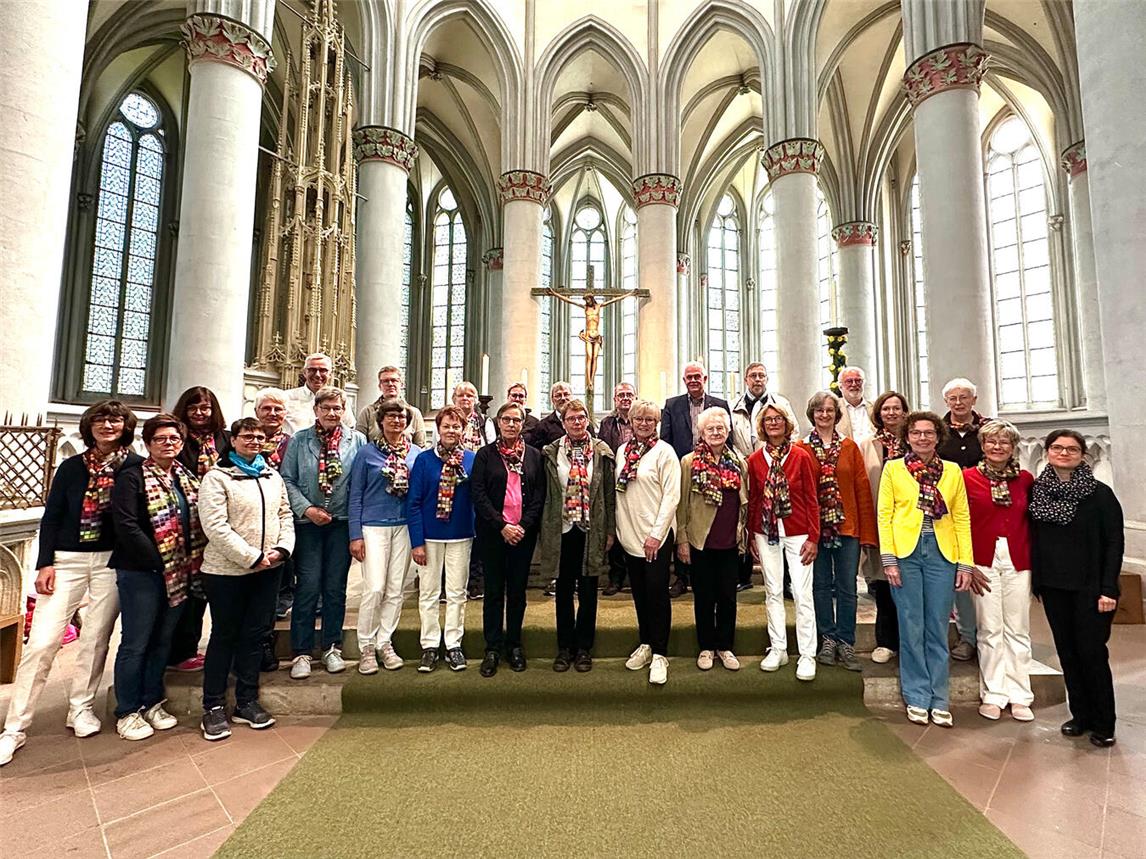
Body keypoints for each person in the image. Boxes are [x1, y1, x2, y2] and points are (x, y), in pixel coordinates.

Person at [0, 402, 141, 767]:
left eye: (115, 419)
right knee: (42, 642)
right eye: (100, 419)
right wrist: (45, 563)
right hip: (67, 559)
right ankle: (15, 727)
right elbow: (52, 516)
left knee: (95, 638)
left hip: (111, 560)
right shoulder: (71, 467)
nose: (107, 425)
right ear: (89, 426)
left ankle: (81, 707)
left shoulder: (134, 466)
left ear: (126, 426)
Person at [197, 418, 295, 741]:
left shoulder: (271, 475)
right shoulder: (217, 478)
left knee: (255, 635)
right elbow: (215, 526)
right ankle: (213, 705)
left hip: (268, 569)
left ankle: (246, 701)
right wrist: (250, 556)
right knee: (224, 635)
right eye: (247, 436)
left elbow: (284, 515)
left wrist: (282, 549)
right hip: (228, 572)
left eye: (259, 436)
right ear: (233, 440)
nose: (254, 441)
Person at [109, 414, 206, 741]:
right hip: (143, 572)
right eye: (161, 438)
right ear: (148, 443)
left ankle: (152, 701)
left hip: (179, 570)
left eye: (174, 438)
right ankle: (127, 710)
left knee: (163, 639)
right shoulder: (132, 477)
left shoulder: (185, 476)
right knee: (136, 642)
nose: (168, 443)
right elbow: (126, 525)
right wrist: (158, 560)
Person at [878, 411, 974, 727]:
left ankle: (940, 697)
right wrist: (889, 559)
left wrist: (965, 562)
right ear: (907, 437)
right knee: (911, 625)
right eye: (916, 433)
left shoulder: (952, 471)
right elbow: (884, 515)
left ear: (938, 436)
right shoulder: (893, 469)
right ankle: (917, 695)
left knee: (937, 625)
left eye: (928, 432)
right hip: (906, 552)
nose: (922, 438)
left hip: (941, 554)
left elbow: (961, 517)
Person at [1030, 430, 1124, 747]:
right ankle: (1080, 715)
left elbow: (1114, 543)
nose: (1064, 453)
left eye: (1072, 449)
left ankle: (1104, 722)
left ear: (1083, 455)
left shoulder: (1099, 494)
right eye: (1057, 447)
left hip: (1091, 588)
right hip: (1054, 586)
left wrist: (1108, 588)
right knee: (1068, 653)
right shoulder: (1039, 491)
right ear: (1047, 451)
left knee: (1092, 653)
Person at [281, 386, 366, 680]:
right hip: (309, 524)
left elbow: (360, 483)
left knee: (334, 587)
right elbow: (287, 479)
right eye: (326, 408)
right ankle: (302, 651)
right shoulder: (299, 440)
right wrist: (307, 509)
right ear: (316, 409)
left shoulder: (357, 440)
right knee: (307, 586)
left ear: (344, 410)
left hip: (341, 523)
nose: (332, 413)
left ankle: (332, 647)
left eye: (337, 408)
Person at [796, 392, 877, 672]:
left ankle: (846, 640)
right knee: (820, 586)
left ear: (837, 414)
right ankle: (827, 639)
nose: (824, 415)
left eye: (829, 410)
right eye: (819, 410)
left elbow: (862, 489)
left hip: (847, 526)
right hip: (815, 529)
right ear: (812, 414)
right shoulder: (801, 447)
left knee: (847, 587)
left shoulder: (849, 447)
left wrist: (867, 534)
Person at [963, 420, 1035, 722]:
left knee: (1017, 627)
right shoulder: (968, 478)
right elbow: (960, 522)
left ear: (1013, 447)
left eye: (1004, 442)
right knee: (989, 627)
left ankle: (1020, 695)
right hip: (982, 559)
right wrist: (966, 563)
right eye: (991, 441)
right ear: (982, 446)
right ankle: (993, 693)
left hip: (1018, 558)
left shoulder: (1026, 480)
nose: (997, 447)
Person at [539, 399, 616, 672]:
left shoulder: (601, 451)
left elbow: (609, 494)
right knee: (563, 590)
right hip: (561, 529)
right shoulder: (551, 452)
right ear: (563, 422)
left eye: (581, 417)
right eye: (571, 418)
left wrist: (609, 530)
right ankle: (564, 648)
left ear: (587, 420)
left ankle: (584, 648)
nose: (576, 422)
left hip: (590, 528)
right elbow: (546, 493)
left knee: (588, 590)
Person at [471, 402, 546, 676]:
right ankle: (492, 647)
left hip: (522, 535)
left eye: (516, 420)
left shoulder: (534, 456)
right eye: (506, 419)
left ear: (523, 424)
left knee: (517, 592)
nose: (511, 424)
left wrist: (522, 526)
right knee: (493, 591)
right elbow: (478, 494)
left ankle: (514, 644)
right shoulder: (485, 455)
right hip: (493, 533)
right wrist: (502, 525)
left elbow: (539, 496)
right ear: (498, 422)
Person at [348, 400, 423, 674]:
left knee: (395, 589)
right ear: (381, 421)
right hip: (373, 525)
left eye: (401, 417)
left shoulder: (415, 453)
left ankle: (384, 642)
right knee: (375, 587)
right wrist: (355, 534)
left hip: (404, 526)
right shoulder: (366, 453)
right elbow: (355, 494)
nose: (396, 421)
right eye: (390, 416)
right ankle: (366, 646)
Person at [748, 404, 821, 680]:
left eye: (778, 418)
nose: (773, 423)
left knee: (802, 593)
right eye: (768, 420)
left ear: (786, 423)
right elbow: (754, 499)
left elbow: (812, 498)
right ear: (762, 426)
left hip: (798, 531)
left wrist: (813, 537)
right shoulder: (755, 459)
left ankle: (807, 654)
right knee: (773, 590)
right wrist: (751, 534)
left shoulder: (801, 456)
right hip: (765, 532)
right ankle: (778, 648)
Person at [676, 407, 747, 674]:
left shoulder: (739, 462)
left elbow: (745, 503)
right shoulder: (689, 462)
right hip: (700, 541)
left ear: (728, 432)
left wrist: (743, 536)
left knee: (728, 597)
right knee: (704, 597)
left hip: (729, 541)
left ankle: (725, 646)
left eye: (720, 428)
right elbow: (682, 503)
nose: (716, 432)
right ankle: (706, 646)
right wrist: (682, 539)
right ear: (701, 433)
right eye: (710, 429)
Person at [615, 400, 681, 684]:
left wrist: (656, 534)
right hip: (630, 536)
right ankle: (645, 643)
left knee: (657, 593)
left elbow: (671, 497)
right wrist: (621, 531)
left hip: (657, 536)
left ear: (657, 423)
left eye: (649, 420)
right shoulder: (622, 451)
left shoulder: (664, 452)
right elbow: (620, 494)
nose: (644, 424)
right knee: (640, 593)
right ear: (631, 421)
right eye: (639, 419)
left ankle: (660, 653)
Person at [407, 406, 476, 672]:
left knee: (457, 592)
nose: (451, 430)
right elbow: (413, 503)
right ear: (438, 429)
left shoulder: (471, 459)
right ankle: (430, 645)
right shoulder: (424, 460)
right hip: (430, 536)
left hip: (461, 533)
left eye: (456, 426)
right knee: (429, 592)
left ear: (463, 430)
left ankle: (453, 644)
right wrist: (417, 542)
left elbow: (477, 498)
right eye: (446, 426)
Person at [167, 386, 227, 673]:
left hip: (220, 524)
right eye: (193, 408)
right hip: (185, 526)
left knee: (211, 590)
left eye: (205, 407)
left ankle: (214, 648)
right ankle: (180, 651)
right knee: (186, 592)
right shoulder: (177, 439)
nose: (200, 413)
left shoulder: (225, 439)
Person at [660, 362, 730, 598]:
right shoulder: (672, 405)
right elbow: (666, 440)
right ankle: (681, 577)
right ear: (684, 381)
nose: (693, 380)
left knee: (707, 517)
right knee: (683, 516)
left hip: (713, 466)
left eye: (697, 376)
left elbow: (726, 438)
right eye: (689, 377)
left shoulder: (720, 404)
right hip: (684, 468)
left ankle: (712, 574)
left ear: (705, 379)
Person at [729, 362, 797, 591]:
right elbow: (729, 438)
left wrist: (772, 456)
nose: (757, 379)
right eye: (753, 376)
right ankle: (743, 573)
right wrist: (743, 460)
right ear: (746, 379)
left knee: (779, 515)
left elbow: (793, 432)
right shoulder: (733, 405)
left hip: (775, 465)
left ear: (767, 379)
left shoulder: (781, 403)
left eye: (761, 375)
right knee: (746, 513)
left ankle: (785, 579)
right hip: (743, 466)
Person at [937, 377, 990, 662]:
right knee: (960, 575)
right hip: (947, 512)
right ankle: (967, 636)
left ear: (974, 400)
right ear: (946, 402)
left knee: (985, 573)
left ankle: (990, 638)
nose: (958, 403)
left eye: (964, 397)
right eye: (953, 398)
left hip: (983, 510)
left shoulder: (987, 430)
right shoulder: (938, 431)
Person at [858, 391, 910, 664]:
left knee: (911, 584)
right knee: (884, 583)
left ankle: (911, 643)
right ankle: (887, 641)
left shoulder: (915, 441)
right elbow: (862, 484)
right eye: (886, 409)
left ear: (905, 412)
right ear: (878, 414)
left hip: (912, 522)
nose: (891, 413)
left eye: (896, 408)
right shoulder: (868, 444)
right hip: (881, 521)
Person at [254, 387, 294, 663]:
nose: (272, 413)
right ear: (256, 411)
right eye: (266, 408)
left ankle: (265, 644)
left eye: (278, 409)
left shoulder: (292, 443)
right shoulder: (243, 441)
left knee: (274, 588)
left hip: (282, 518)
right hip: (248, 524)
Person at [599, 382, 636, 596]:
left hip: (638, 481)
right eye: (621, 395)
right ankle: (616, 577)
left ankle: (634, 574)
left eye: (629, 394)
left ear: (635, 397)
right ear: (615, 399)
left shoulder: (641, 419)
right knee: (615, 525)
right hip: (614, 479)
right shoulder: (607, 423)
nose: (625, 398)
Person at [355, 365, 427, 446]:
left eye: (394, 380)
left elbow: (420, 446)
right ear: (380, 386)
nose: (390, 384)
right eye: (385, 381)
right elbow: (358, 442)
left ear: (402, 384)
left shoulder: (414, 413)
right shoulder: (368, 412)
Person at [283, 352, 334, 433]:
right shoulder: (286, 397)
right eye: (312, 370)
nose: (317, 375)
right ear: (304, 373)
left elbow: (349, 427)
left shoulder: (338, 400)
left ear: (330, 374)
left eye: (323, 370)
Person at [525, 380, 575, 449]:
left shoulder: (583, 422)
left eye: (566, 394)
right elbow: (536, 451)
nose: (563, 398)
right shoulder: (542, 426)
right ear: (552, 400)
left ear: (572, 397)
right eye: (558, 395)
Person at [836, 366, 876, 443]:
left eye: (858, 381)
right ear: (840, 386)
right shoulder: (834, 409)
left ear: (863, 383)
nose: (854, 384)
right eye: (849, 381)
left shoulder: (875, 407)